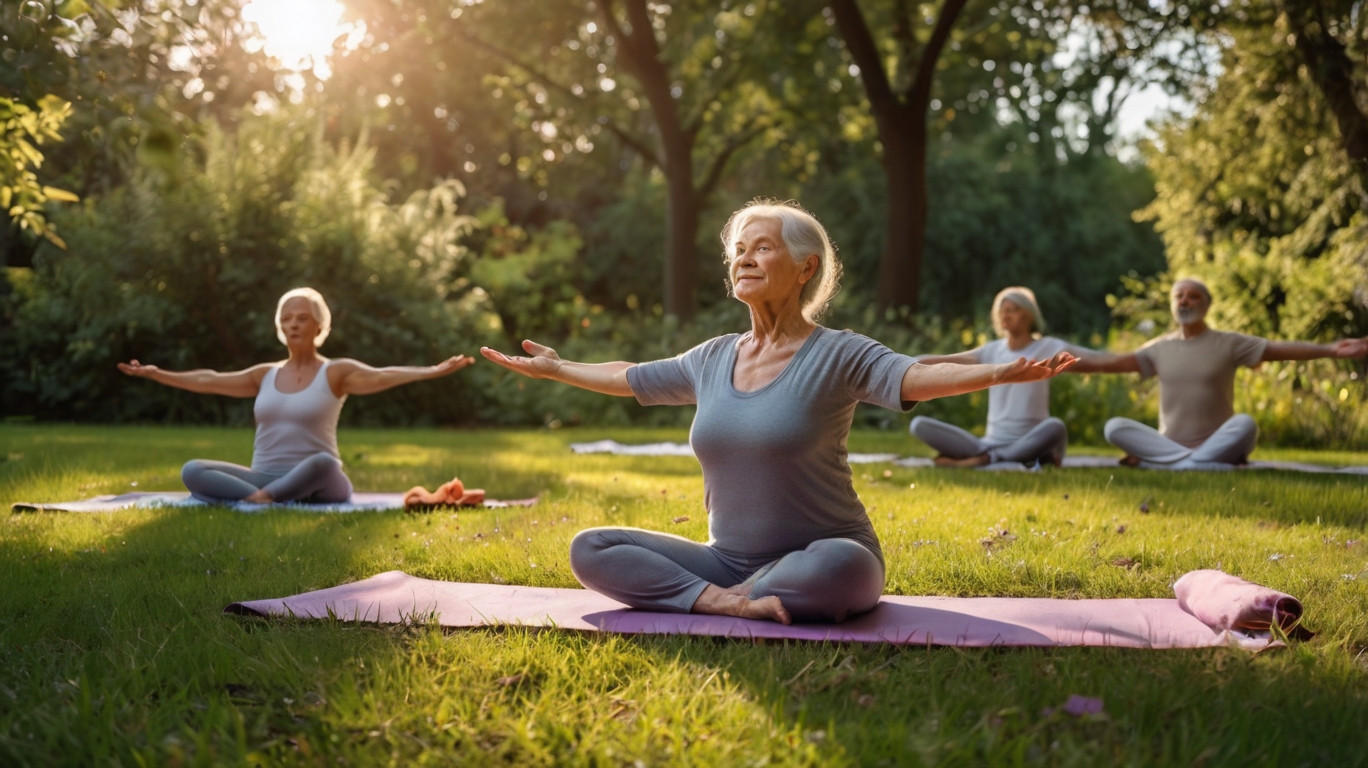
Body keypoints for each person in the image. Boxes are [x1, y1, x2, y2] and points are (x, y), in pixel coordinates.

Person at [481, 200, 1076, 625]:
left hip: (826, 553)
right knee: (591, 548)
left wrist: (997, 370)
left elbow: (914, 375)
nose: (744, 258)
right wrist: (560, 369)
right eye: (739, 249)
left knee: (842, 566)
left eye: (762, 247)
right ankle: (731, 601)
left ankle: (721, 596)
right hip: (724, 560)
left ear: (805, 267)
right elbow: (628, 376)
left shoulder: (839, 352)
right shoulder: (712, 357)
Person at [118, 287, 474, 503]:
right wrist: (156, 373)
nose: (293, 324)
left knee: (324, 462)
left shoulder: (334, 372)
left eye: (302, 318)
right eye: (287, 319)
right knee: (192, 469)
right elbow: (209, 379)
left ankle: (262, 500)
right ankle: (260, 497)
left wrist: (432, 370)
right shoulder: (265, 375)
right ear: (280, 327)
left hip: (320, 482)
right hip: (264, 476)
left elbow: (381, 375)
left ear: (319, 326)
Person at [1082, 278, 1367, 469]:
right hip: (1168, 444)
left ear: (1206, 305)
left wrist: (1331, 349)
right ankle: (1195, 465)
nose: (1185, 301)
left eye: (1193, 297)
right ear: (1172, 304)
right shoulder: (1158, 348)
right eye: (1179, 296)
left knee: (1245, 424)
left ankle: (1174, 465)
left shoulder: (1229, 343)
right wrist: (1066, 363)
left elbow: (1280, 349)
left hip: (1216, 442)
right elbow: (1108, 363)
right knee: (1114, 427)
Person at [908, 286, 1125, 467]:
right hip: (988, 443)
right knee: (918, 424)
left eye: (1012, 309)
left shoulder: (1048, 346)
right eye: (1002, 310)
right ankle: (991, 456)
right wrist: (908, 362)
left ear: (1029, 315)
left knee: (1056, 427)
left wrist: (1135, 360)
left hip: (1032, 440)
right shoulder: (991, 350)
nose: (1006, 315)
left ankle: (986, 460)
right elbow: (949, 360)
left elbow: (1098, 359)